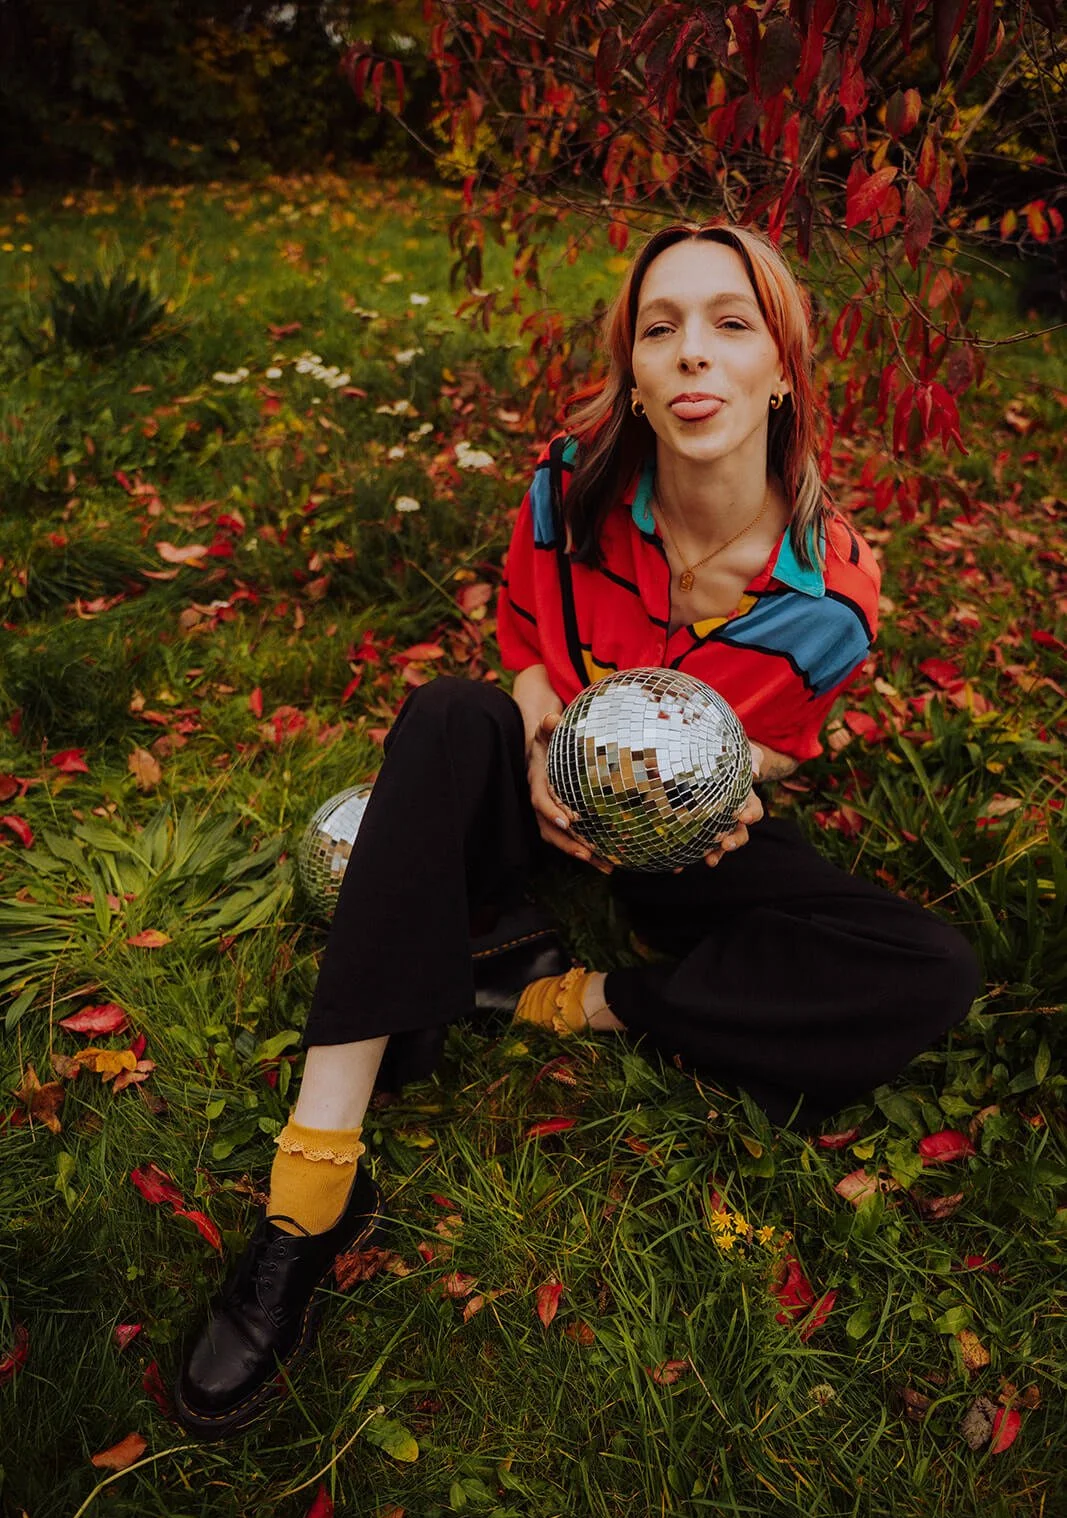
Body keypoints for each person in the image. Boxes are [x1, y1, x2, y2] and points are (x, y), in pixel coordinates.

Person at [175, 222, 981, 1440]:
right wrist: (536, 712)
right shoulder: (568, 485)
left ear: (782, 368)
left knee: (928, 969)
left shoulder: (832, 597)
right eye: (660, 330)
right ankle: (310, 1189)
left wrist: (728, 798)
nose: (691, 356)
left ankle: (564, 996)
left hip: (680, 839)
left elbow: (766, 744)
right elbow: (521, 641)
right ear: (636, 372)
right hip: (543, 794)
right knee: (447, 716)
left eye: (729, 324)